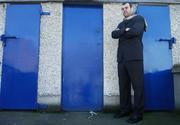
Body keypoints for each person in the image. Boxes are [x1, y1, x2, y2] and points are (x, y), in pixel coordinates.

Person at [111, 2, 147, 124]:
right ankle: (125, 109)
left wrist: (122, 31)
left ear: (132, 8)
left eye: (126, 8)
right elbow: (113, 34)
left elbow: (136, 32)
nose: (124, 10)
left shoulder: (139, 18)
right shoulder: (121, 23)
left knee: (137, 87)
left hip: (134, 58)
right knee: (123, 86)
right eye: (122, 9)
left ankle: (138, 114)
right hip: (122, 59)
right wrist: (125, 30)